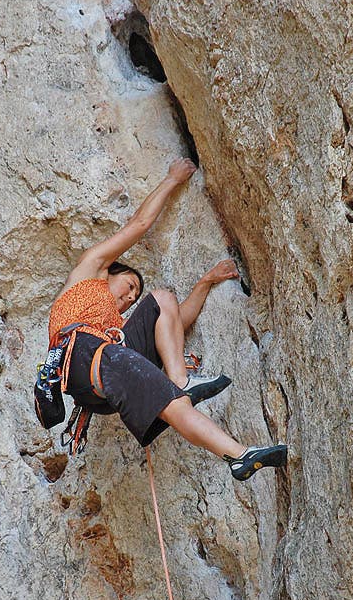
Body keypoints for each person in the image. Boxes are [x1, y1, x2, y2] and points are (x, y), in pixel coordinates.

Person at [47, 157, 287, 480]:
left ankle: (239, 455)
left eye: (133, 297)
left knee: (163, 304)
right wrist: (172, 179)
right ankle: (183, 384)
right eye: (130, 286)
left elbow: (176, 320)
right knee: (162, 377)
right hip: (81, 358)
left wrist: (205, 282)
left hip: (105, 367)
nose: (130, 298)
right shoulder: (89, 272)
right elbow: (139, 224)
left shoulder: (112, 329)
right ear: (111, 272)